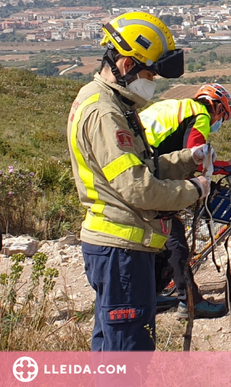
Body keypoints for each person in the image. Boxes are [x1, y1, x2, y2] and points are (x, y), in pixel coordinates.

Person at [66, 11, 213, 351]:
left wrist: (187, 160)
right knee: (129, 356)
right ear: (127, 63)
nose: (152, 81)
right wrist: (194, 190)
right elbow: (137, 187)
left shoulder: (111, 101)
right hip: (121, 250)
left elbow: (141, 167)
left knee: (112, 351)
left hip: (120, 247)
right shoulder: (105, 111)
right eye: (149, 73)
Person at [139, 83, 231, 319]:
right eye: (222, 116)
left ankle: (151, 295)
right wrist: (227, 166)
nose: (219, 122)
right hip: (150, 173)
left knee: (161, 237)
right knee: (174, 238)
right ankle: (190, 302)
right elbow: (196, 156)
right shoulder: (200, 114)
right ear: (215, 107)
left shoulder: (175, 108)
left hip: (140, 166)